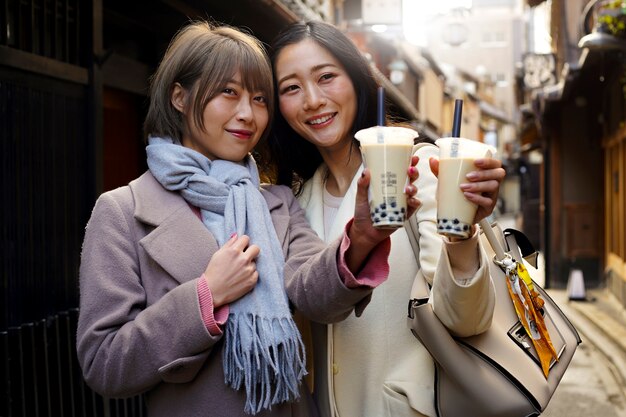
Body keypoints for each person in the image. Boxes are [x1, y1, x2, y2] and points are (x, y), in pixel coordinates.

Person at [75, 21, 420, 417]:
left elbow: (315, 297)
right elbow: (104, 364)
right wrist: (207, 296)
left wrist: (361, 236)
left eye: (259, 99)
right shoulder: (123, 211)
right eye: (229, 92)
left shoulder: (276, 201)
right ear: (179, 98)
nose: (248, 114)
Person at [267, 21, 506, 417]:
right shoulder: (294, 203)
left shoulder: (419, 171)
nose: (311, 100)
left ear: (357, 81)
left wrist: (462, 234)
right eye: (291, 88)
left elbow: (467, 322)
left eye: (326, 77)